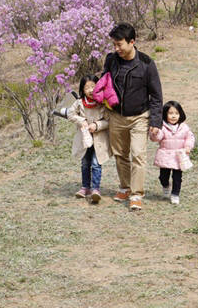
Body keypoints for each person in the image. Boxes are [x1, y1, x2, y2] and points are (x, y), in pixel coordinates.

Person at [102, 22, 163, 211]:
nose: (116, 48)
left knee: (138, 154)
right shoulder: (111, 60)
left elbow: (156, 95)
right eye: (114, 44)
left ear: (132, 42)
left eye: (119, 44)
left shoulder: (146, 63)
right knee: (120, 155)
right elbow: (105, 82)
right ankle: (125, 187)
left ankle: (137, 194)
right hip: (116, 116)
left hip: (139, 117)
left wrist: (155, 122)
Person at [67, 74, 112, 204]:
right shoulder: (79, 103)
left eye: (93, 86)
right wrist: (82, 121)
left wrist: (97, 125)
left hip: (99, 140)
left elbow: (108, 120)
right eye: (87, 87)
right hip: (84, 140)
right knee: (85, 163)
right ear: (82, 90)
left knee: (96, 164)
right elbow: (70, 114)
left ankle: (95, 189)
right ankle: (85, 187)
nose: (91, 90)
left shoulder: (103, 104)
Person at [150, 100, 195, 205]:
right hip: (165, 155)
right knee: (163, 177)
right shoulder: (162, 126)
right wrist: (155, 133)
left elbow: (190, 137)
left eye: (176, 113)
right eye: (170, 113)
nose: (174, 116)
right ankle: (165, 185)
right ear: (165, 114)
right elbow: (158, 138)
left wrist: (188, 147)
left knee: (177, 177)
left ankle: (175, 194)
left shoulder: (184, 127)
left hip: (179, 156)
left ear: (180, 114)